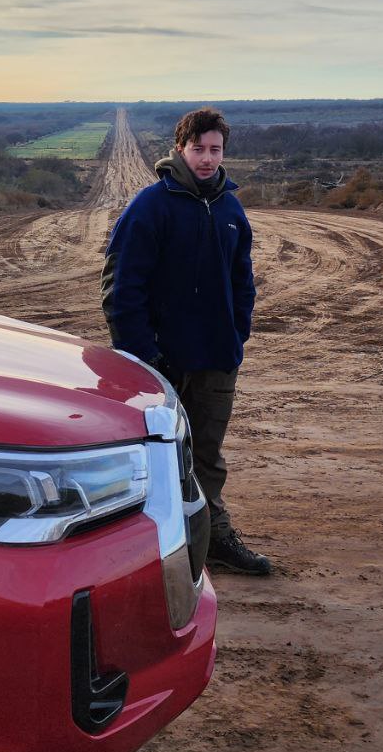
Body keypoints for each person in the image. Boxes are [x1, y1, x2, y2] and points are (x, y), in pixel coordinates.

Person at [101, 106, 272, 575]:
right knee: (156, 457)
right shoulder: (150, 206)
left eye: (215, 150)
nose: (207, 158)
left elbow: (243, 283)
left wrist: (237, 335)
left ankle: (213, 537)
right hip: (162, 363)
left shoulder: (232, 209)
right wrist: (145, 356)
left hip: (217, 358)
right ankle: (154, 553)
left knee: (207, 455)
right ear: (180, 148)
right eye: (198, 148)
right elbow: (121, 290)